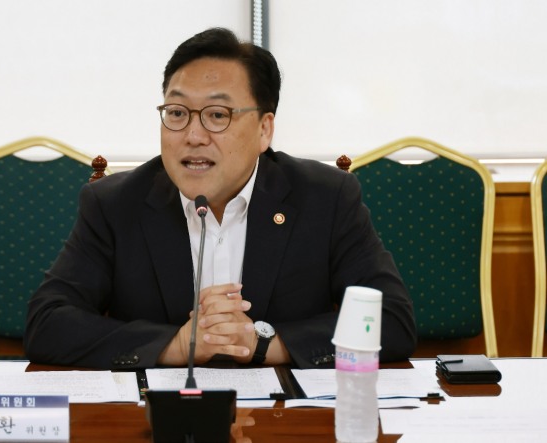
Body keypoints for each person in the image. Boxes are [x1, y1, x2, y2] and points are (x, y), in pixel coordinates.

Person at [24, 27, 417, 369]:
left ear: (264, 130)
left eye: (217, 115)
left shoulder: (324, 197)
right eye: (177, 113)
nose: (193, 136)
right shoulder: (115, 204)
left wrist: (261, 344)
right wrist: (176, 345)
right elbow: (48, 323)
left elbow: (391, 319)